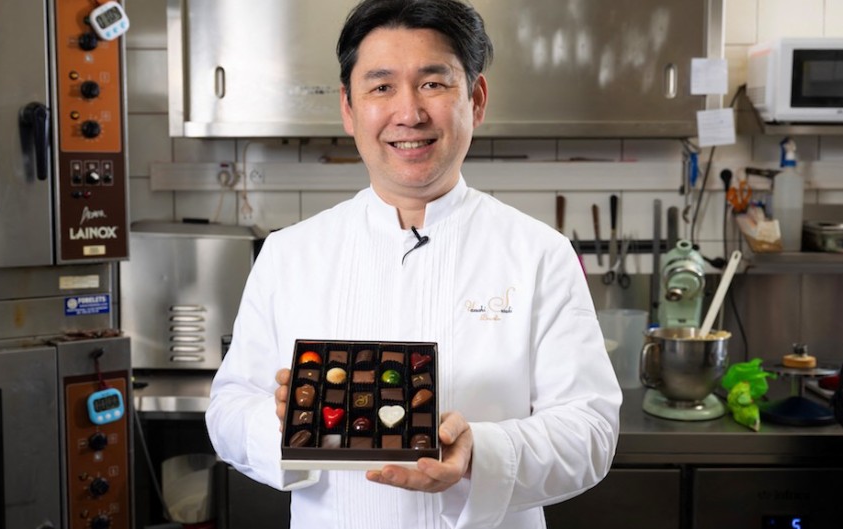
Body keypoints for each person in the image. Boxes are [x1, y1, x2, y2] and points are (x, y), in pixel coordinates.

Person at [206, 1, 622, 527]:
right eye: (381, 87)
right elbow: (229, 409)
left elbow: (590, 430)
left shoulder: (540, 253)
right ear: (348, 107)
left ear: (476, 99)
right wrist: (293, 424)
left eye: (433, 83)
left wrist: (480, 453)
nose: (409, 112)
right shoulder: (289, 254)